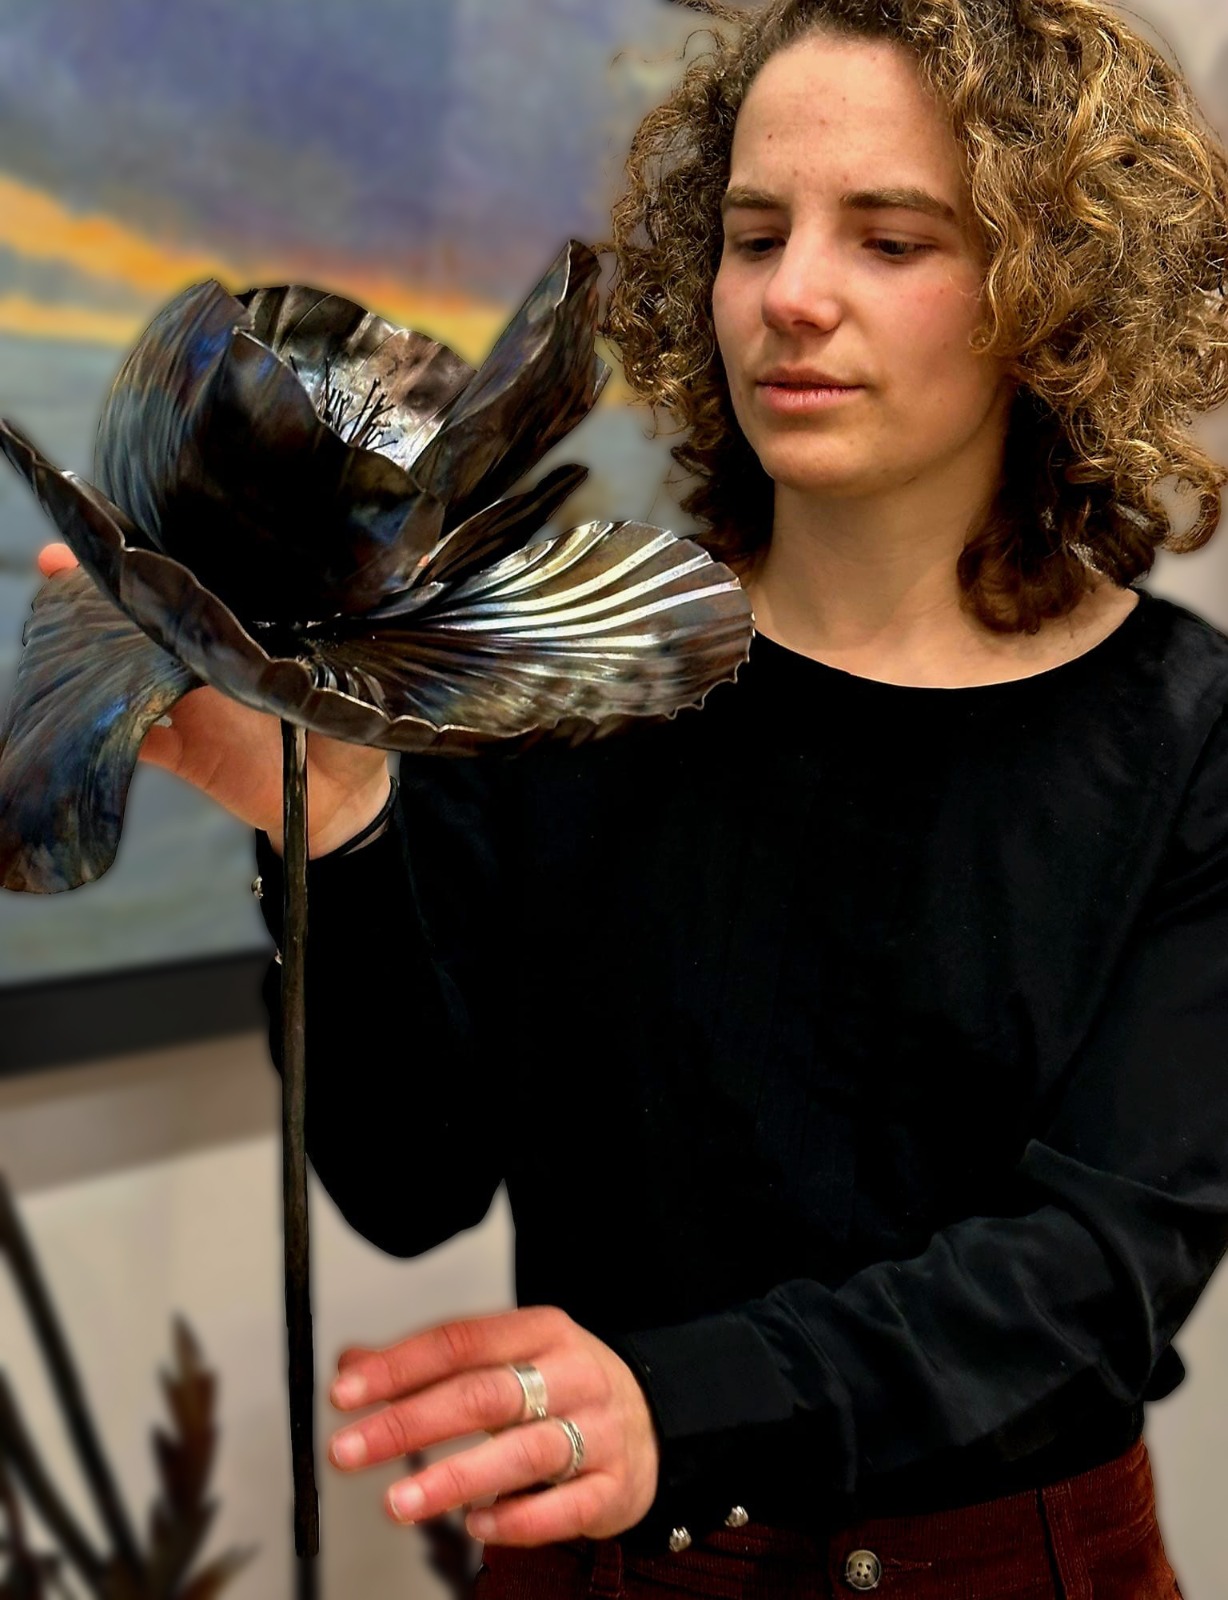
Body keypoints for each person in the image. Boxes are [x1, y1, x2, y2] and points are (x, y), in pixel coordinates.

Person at [37, 0, 1228, 1593]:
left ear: (1054, 291)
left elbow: (1100, 1265)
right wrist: (333, 832)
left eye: (889, 239)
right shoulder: (556, 675)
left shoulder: (1189, 737)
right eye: (753, 234)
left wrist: (687, 1402)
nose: (790, 298)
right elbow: (408, 1185)